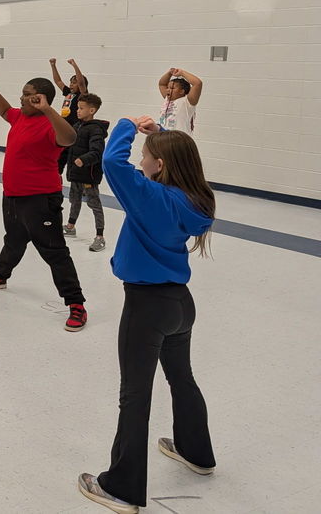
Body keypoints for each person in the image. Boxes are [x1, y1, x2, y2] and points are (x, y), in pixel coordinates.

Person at [78, 116, 215, 514]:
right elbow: (143, 170)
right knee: (182, 379)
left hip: (147, 307)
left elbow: (113, 165)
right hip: (180, 305)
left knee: (134, 396)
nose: (141, 161)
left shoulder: (150, 197)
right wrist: (162, 140)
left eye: (147, 157)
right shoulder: (193, 199)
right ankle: (197, 453)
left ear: (160, 165)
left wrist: (125, 126)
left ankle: (120, 489)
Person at [0, 77, 88, 332]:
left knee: (54, 251)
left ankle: (76, 303)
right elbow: (4, 110)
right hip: (12, 194)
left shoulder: (50, 124)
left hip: (40, 200)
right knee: (13, 239)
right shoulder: (20, 116)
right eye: (22, 94)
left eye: (28, 95)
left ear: (42, 98)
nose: (22, 99)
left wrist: (47, 109)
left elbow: (70, 138)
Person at [63, 93, 109, 251]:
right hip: (76, 173)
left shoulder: (96, 129)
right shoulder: (77, 126)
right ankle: (70, 226)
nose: (78, 111)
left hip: (88, 175)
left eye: (81, 108)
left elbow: (97, 152)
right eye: (78, 108)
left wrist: (83, 160)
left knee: (94, 204)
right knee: (74, 200)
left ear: (92, 110)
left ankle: (100, 237)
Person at [50, 58, 89, 174]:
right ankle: (57, 175)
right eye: (71, 82)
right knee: (59, 157)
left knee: (70, 155)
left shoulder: (82, 95)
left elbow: (81, 82)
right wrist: (53, 65)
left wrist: (74, 65)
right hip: (64, 127)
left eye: (74, 82)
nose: (71, 84)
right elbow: (58, 81)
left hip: (75, 128)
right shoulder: (68, 93)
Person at [157, 67, 202, 134]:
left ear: (182, 91)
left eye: (172, 88)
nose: (168, 90)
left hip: (179, 139)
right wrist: (169, 73)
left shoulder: (187, 102)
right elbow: (162, 84)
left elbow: (197, 83)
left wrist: (182, 73)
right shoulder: (167, 98)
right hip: (164, 138)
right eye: (168, 87)